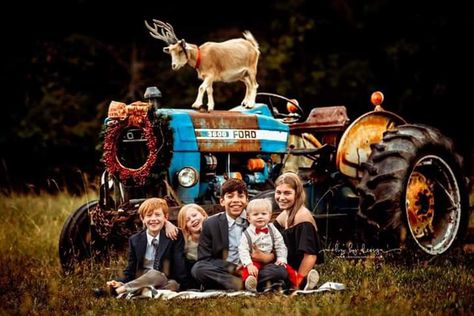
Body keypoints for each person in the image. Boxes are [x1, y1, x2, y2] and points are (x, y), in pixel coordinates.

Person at [191, 178, 287, 291]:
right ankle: (244, 284)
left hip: (255, 268)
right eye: (230, 196)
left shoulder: (258, 219)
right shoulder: (210, 224)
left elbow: (277, 249)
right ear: (222, 201)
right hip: (226, 270)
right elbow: (204, 258)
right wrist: (234, 268)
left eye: (240, 196)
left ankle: (240, 284)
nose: (236, 200)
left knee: (279, 271)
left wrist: (266, 257)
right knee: (198, 269)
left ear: (247, 200)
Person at [96, 198, 187, 297]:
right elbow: (131, 270)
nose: (153, 219)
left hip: (165, 279)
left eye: (157, 215)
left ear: (165, 217)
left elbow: (179, 266)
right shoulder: (135, 240)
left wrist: (181, 282)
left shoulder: (173, 236)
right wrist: (118, 281)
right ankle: (140, 289)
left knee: (166, 281)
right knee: (153, 279)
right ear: (142, 219)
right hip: (142, 278)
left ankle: (120, 290)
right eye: (149, 215)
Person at [273, 172, 323, 291]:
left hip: (294, 271)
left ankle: (304, 282)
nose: (281, 197)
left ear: (297, 194)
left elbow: (310, 256)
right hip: (283, 264)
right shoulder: (285, 214)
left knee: (269, 275)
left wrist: (297, 282)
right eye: (278, 192)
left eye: (287, 193)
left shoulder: (303, 218)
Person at [238, 198, 291, 292]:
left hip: (270, 261)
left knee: (286, 269)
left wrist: (281, 259)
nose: (260, 217)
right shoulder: (246, 234)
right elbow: (243, 250)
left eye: (263, 214)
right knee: (248, 272)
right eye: (255, 214)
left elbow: (280, 244)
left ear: (270, 216)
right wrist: (249, 264)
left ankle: (300, 281)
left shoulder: (272, 229)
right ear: (249, 218)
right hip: (254, 261)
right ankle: (251, 285)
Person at [177, 203, 208, 289]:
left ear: (204, 215)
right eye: (187, 220)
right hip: (193, 274)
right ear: (185, 226)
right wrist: (167, 224)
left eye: (194, 215)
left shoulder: (213, 232)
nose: (193, 220)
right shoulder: (185, 241)